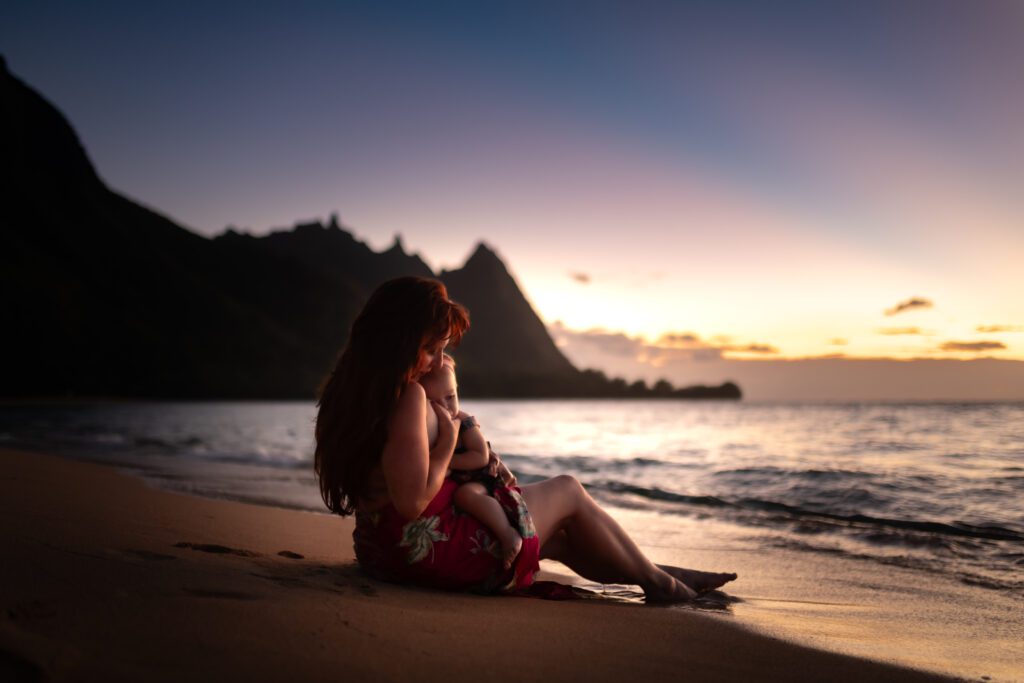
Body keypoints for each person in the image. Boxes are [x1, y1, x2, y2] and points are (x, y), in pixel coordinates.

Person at [314, 276, 736, 600]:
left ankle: (661, 573)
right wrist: (447, 441)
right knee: (568, 490)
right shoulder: (407, 396)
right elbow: (412, 503)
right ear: (400, 341)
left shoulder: (352, 392)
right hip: (423, 554)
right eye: (432, 348)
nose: (438, 361)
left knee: (559, 538)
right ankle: (661, 582)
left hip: (381, 552)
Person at [418, 353, 523, 568]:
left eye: (450, 397)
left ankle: (508, 534)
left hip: (482, 476)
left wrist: (446, 462)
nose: (446, 407)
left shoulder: (463, 421)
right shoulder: (429, 427)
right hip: (461, 476)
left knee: (465, 495)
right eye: (434, 403)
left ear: (457, 391)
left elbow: (480, 456)